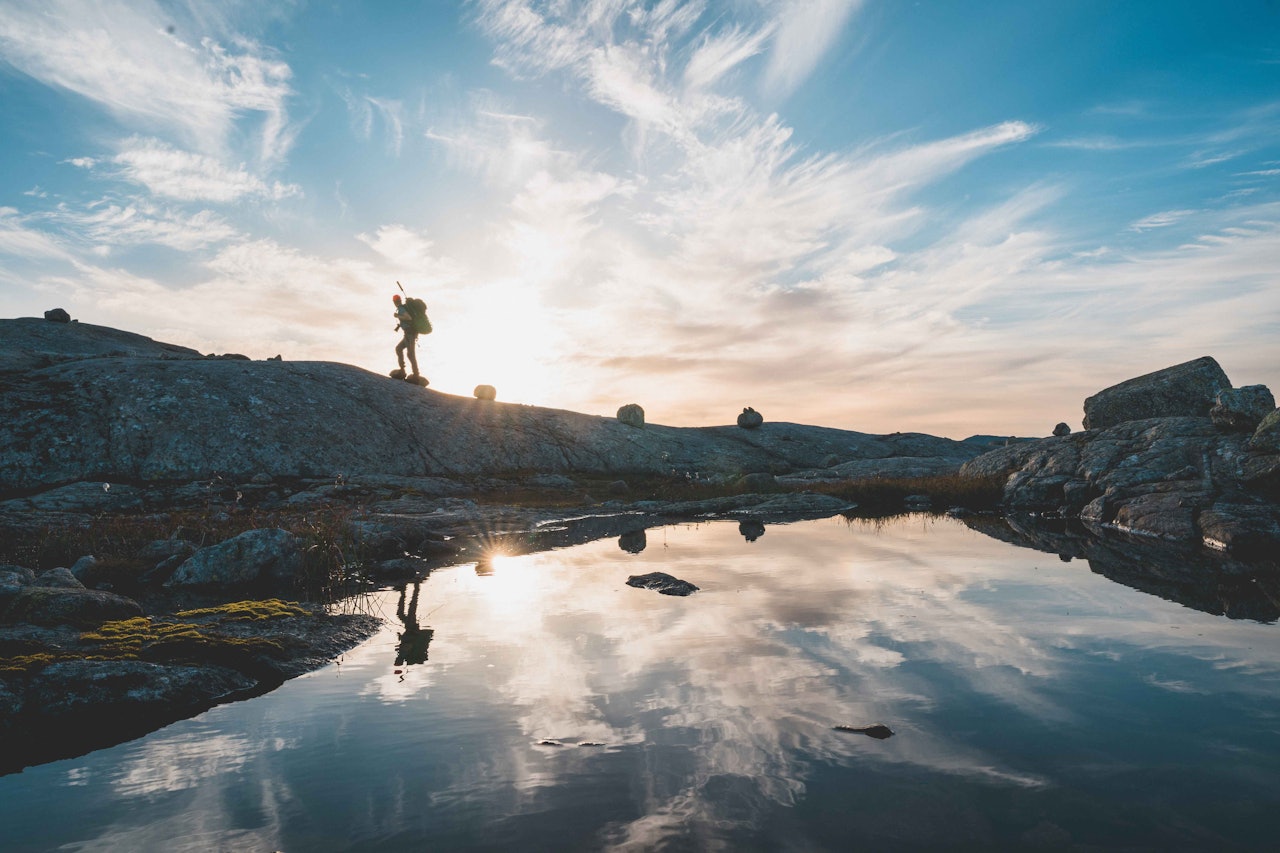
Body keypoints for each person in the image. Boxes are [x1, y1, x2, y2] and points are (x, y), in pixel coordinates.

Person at [392, 293, 420, 379]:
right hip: (408, 334)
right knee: (398, 349)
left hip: (410, 334)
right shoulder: (403, 308)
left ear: (395, 302)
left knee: (410, 354)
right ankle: (403, 370)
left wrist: (397, 316)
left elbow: (408, 318)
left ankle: (416, 375)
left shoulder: (401, 309)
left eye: (395, 301)